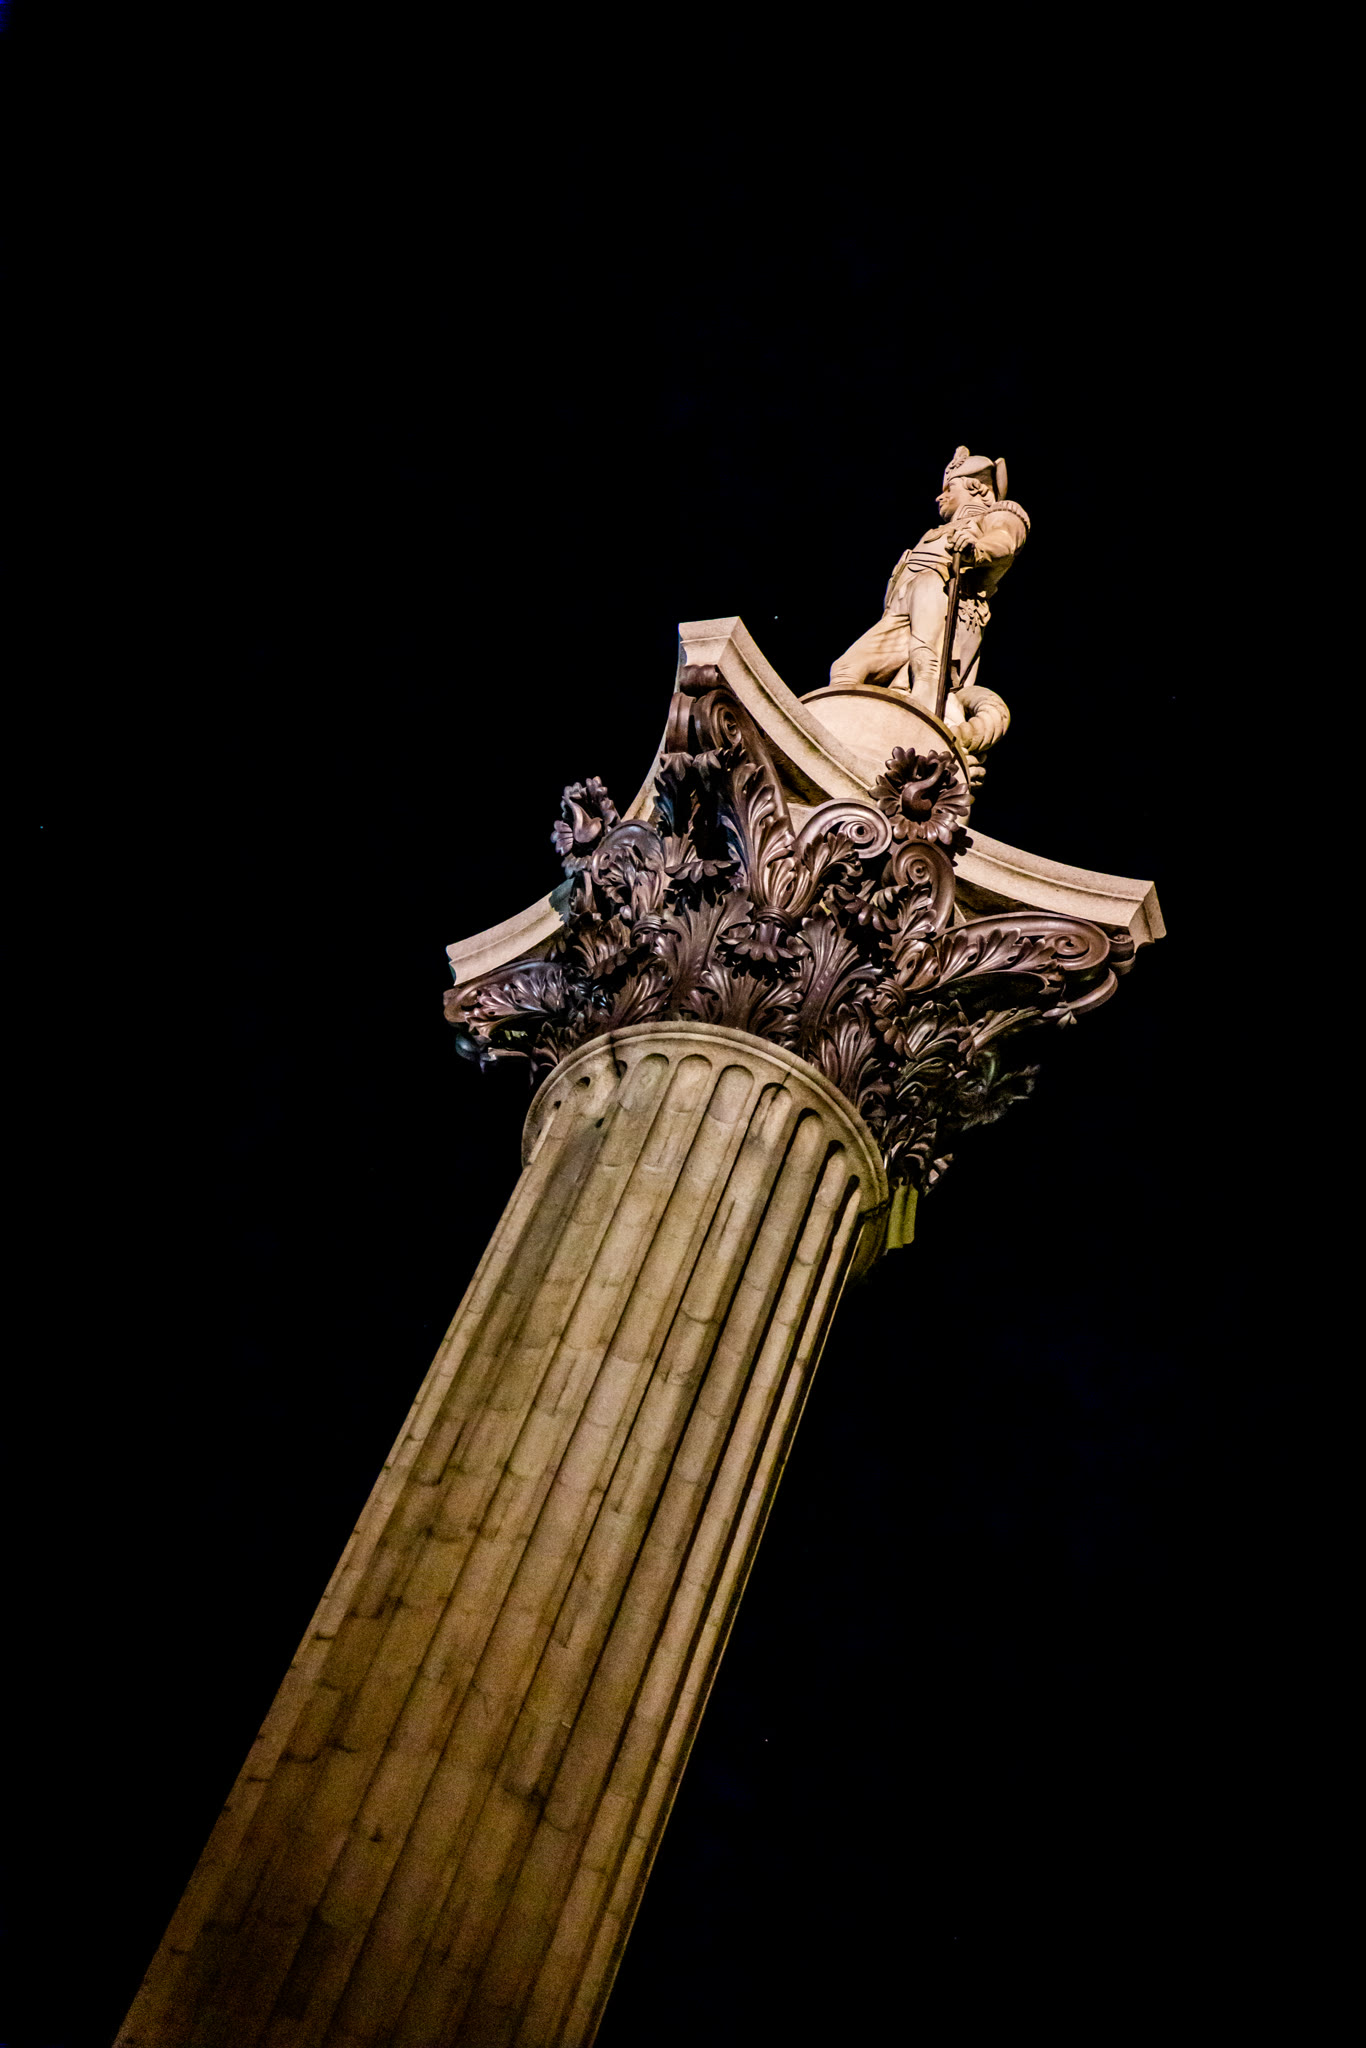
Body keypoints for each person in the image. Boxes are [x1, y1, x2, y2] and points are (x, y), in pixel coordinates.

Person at [829, 447, 1030, 776]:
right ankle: (834, 742)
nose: (940, 496)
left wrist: (976, 549)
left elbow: (1004, 541)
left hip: (942, 595)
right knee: (846, 670)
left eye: (949, 487)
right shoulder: (935, 532)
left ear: (977, 489)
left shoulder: (995, 514)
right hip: (903, 607)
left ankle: (924, 737)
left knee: (926, 669)